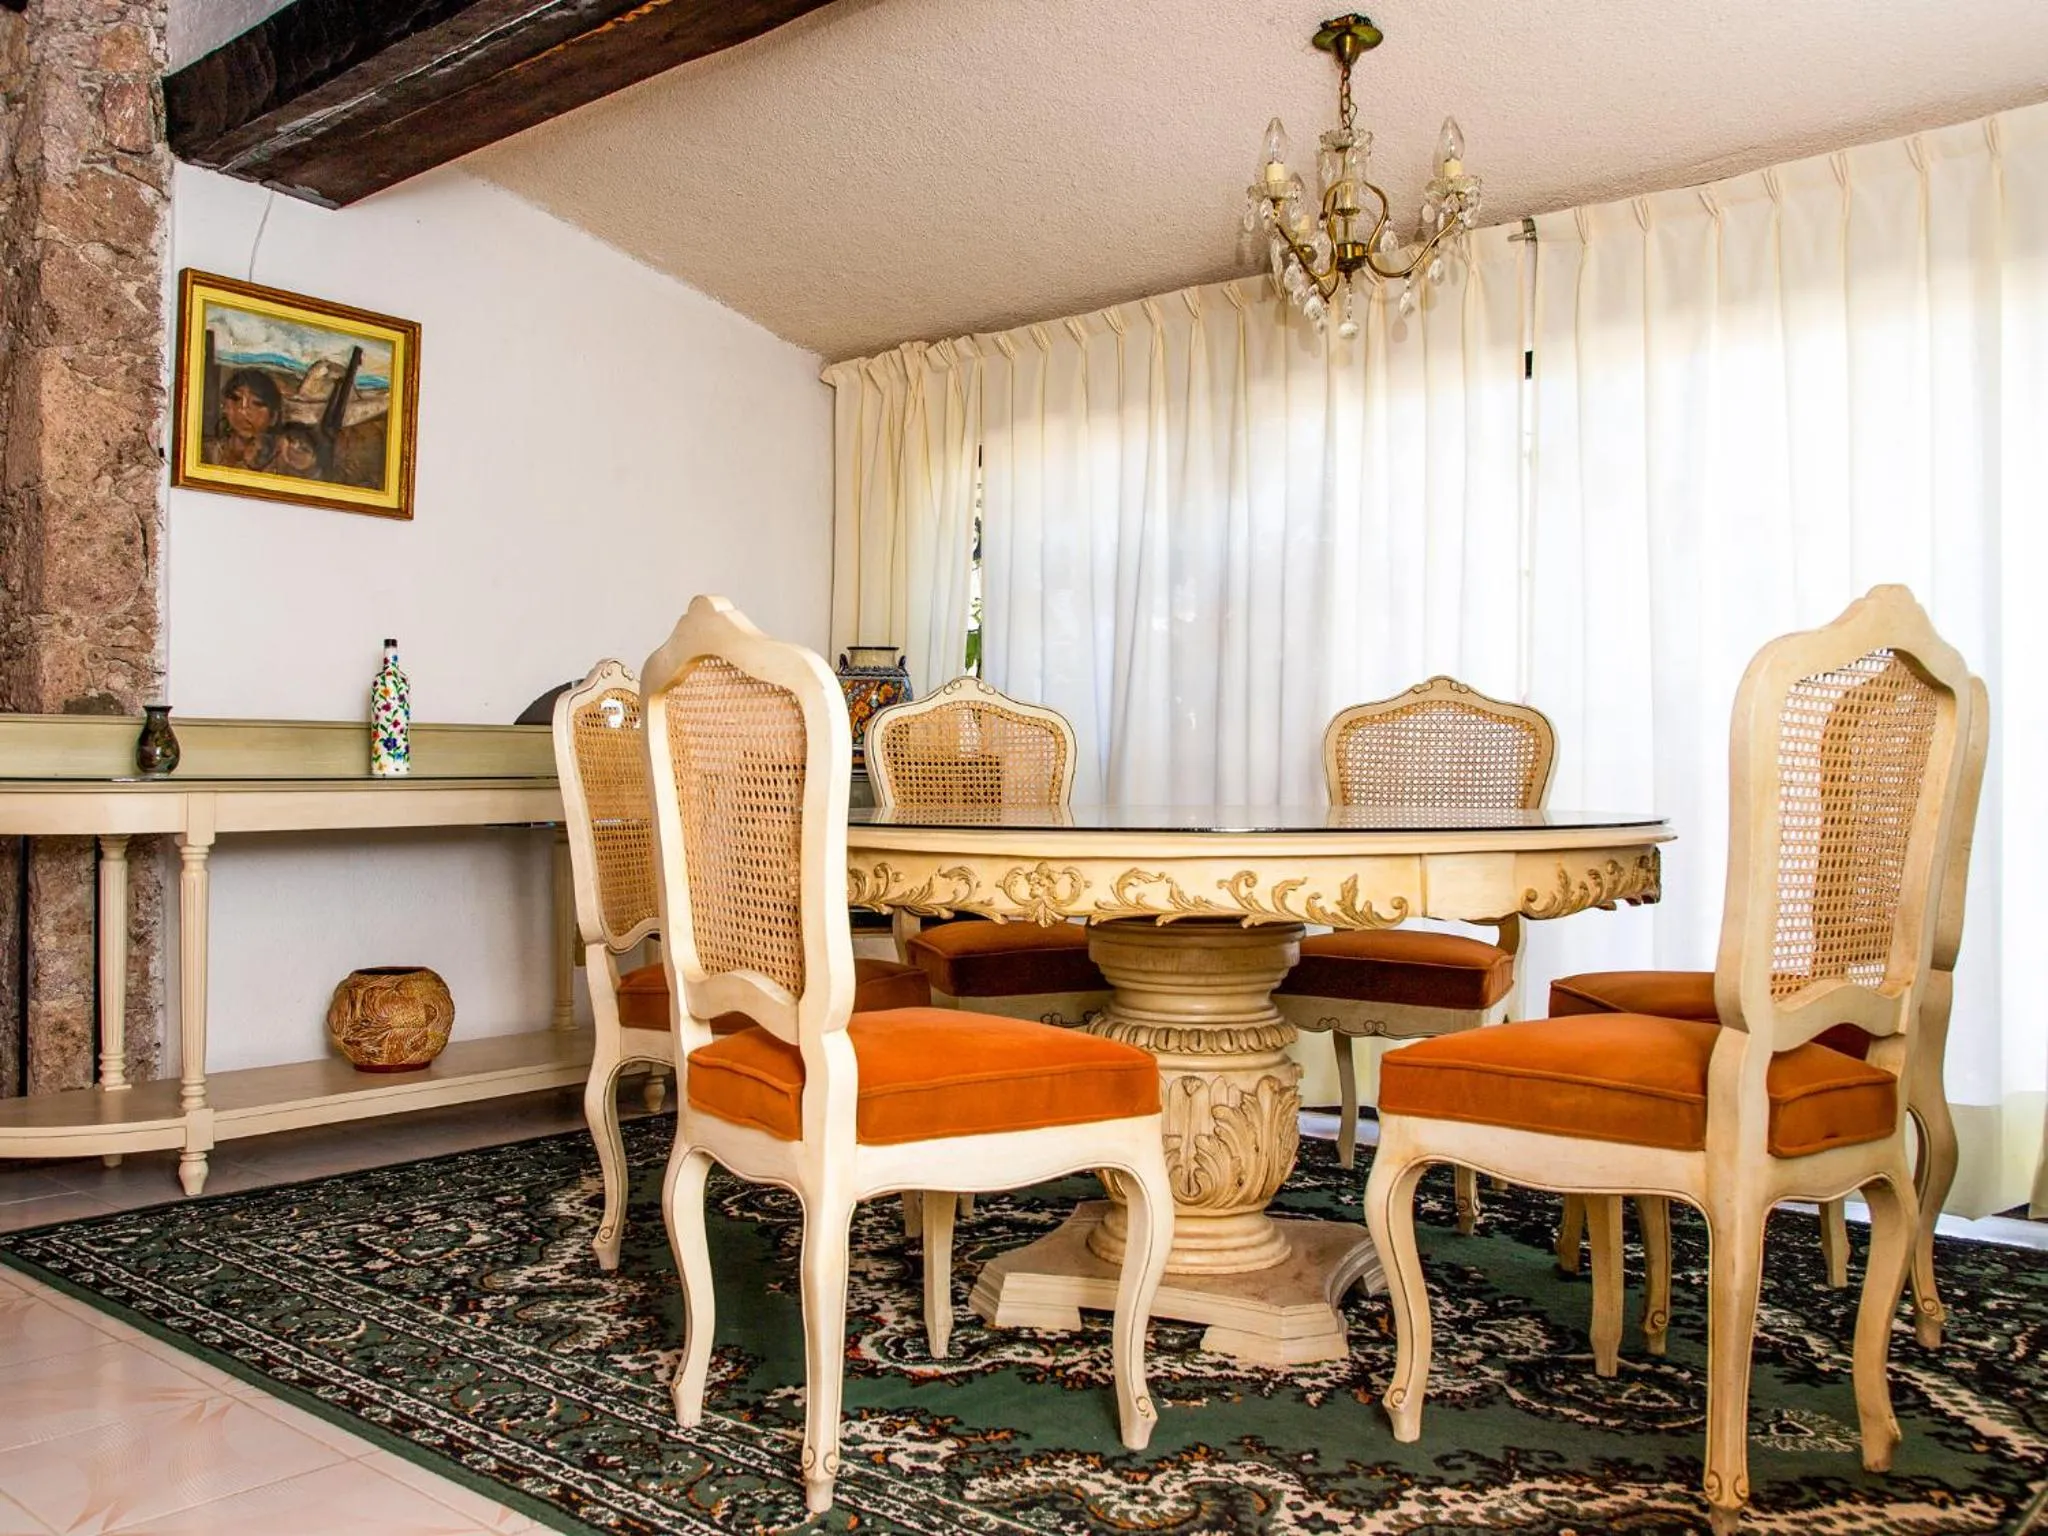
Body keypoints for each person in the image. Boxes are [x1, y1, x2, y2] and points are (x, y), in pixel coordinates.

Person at [205, 368, 284, 471]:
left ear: (273, 417)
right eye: (236, 399)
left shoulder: (282, 466)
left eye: (257, 403)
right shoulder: (204, 452)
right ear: (224, 406)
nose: (243, 411)